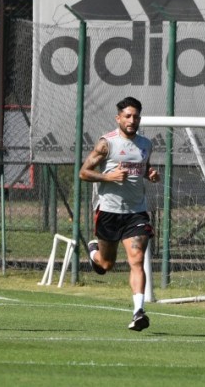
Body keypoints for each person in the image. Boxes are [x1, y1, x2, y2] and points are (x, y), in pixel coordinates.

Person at [79, 96, 160, 331]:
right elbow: (84, 173)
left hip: (136, 212)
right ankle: (95, 253)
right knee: (107, 264)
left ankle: (138, 312)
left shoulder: (146, 144)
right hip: (109, 211)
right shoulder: (107, 144)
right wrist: (107, 176)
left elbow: (143, 168)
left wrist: (150, 174)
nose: (132, 120)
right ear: (118, 118)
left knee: (136, 259)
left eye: (135, 116)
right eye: (127, 116)